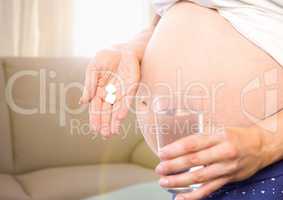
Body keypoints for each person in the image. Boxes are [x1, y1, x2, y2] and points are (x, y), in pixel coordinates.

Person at [80, 1, 283, 199]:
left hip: (266, 170)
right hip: (189, 175)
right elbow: (167, 13)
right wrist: (132, 47)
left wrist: (261, 144)